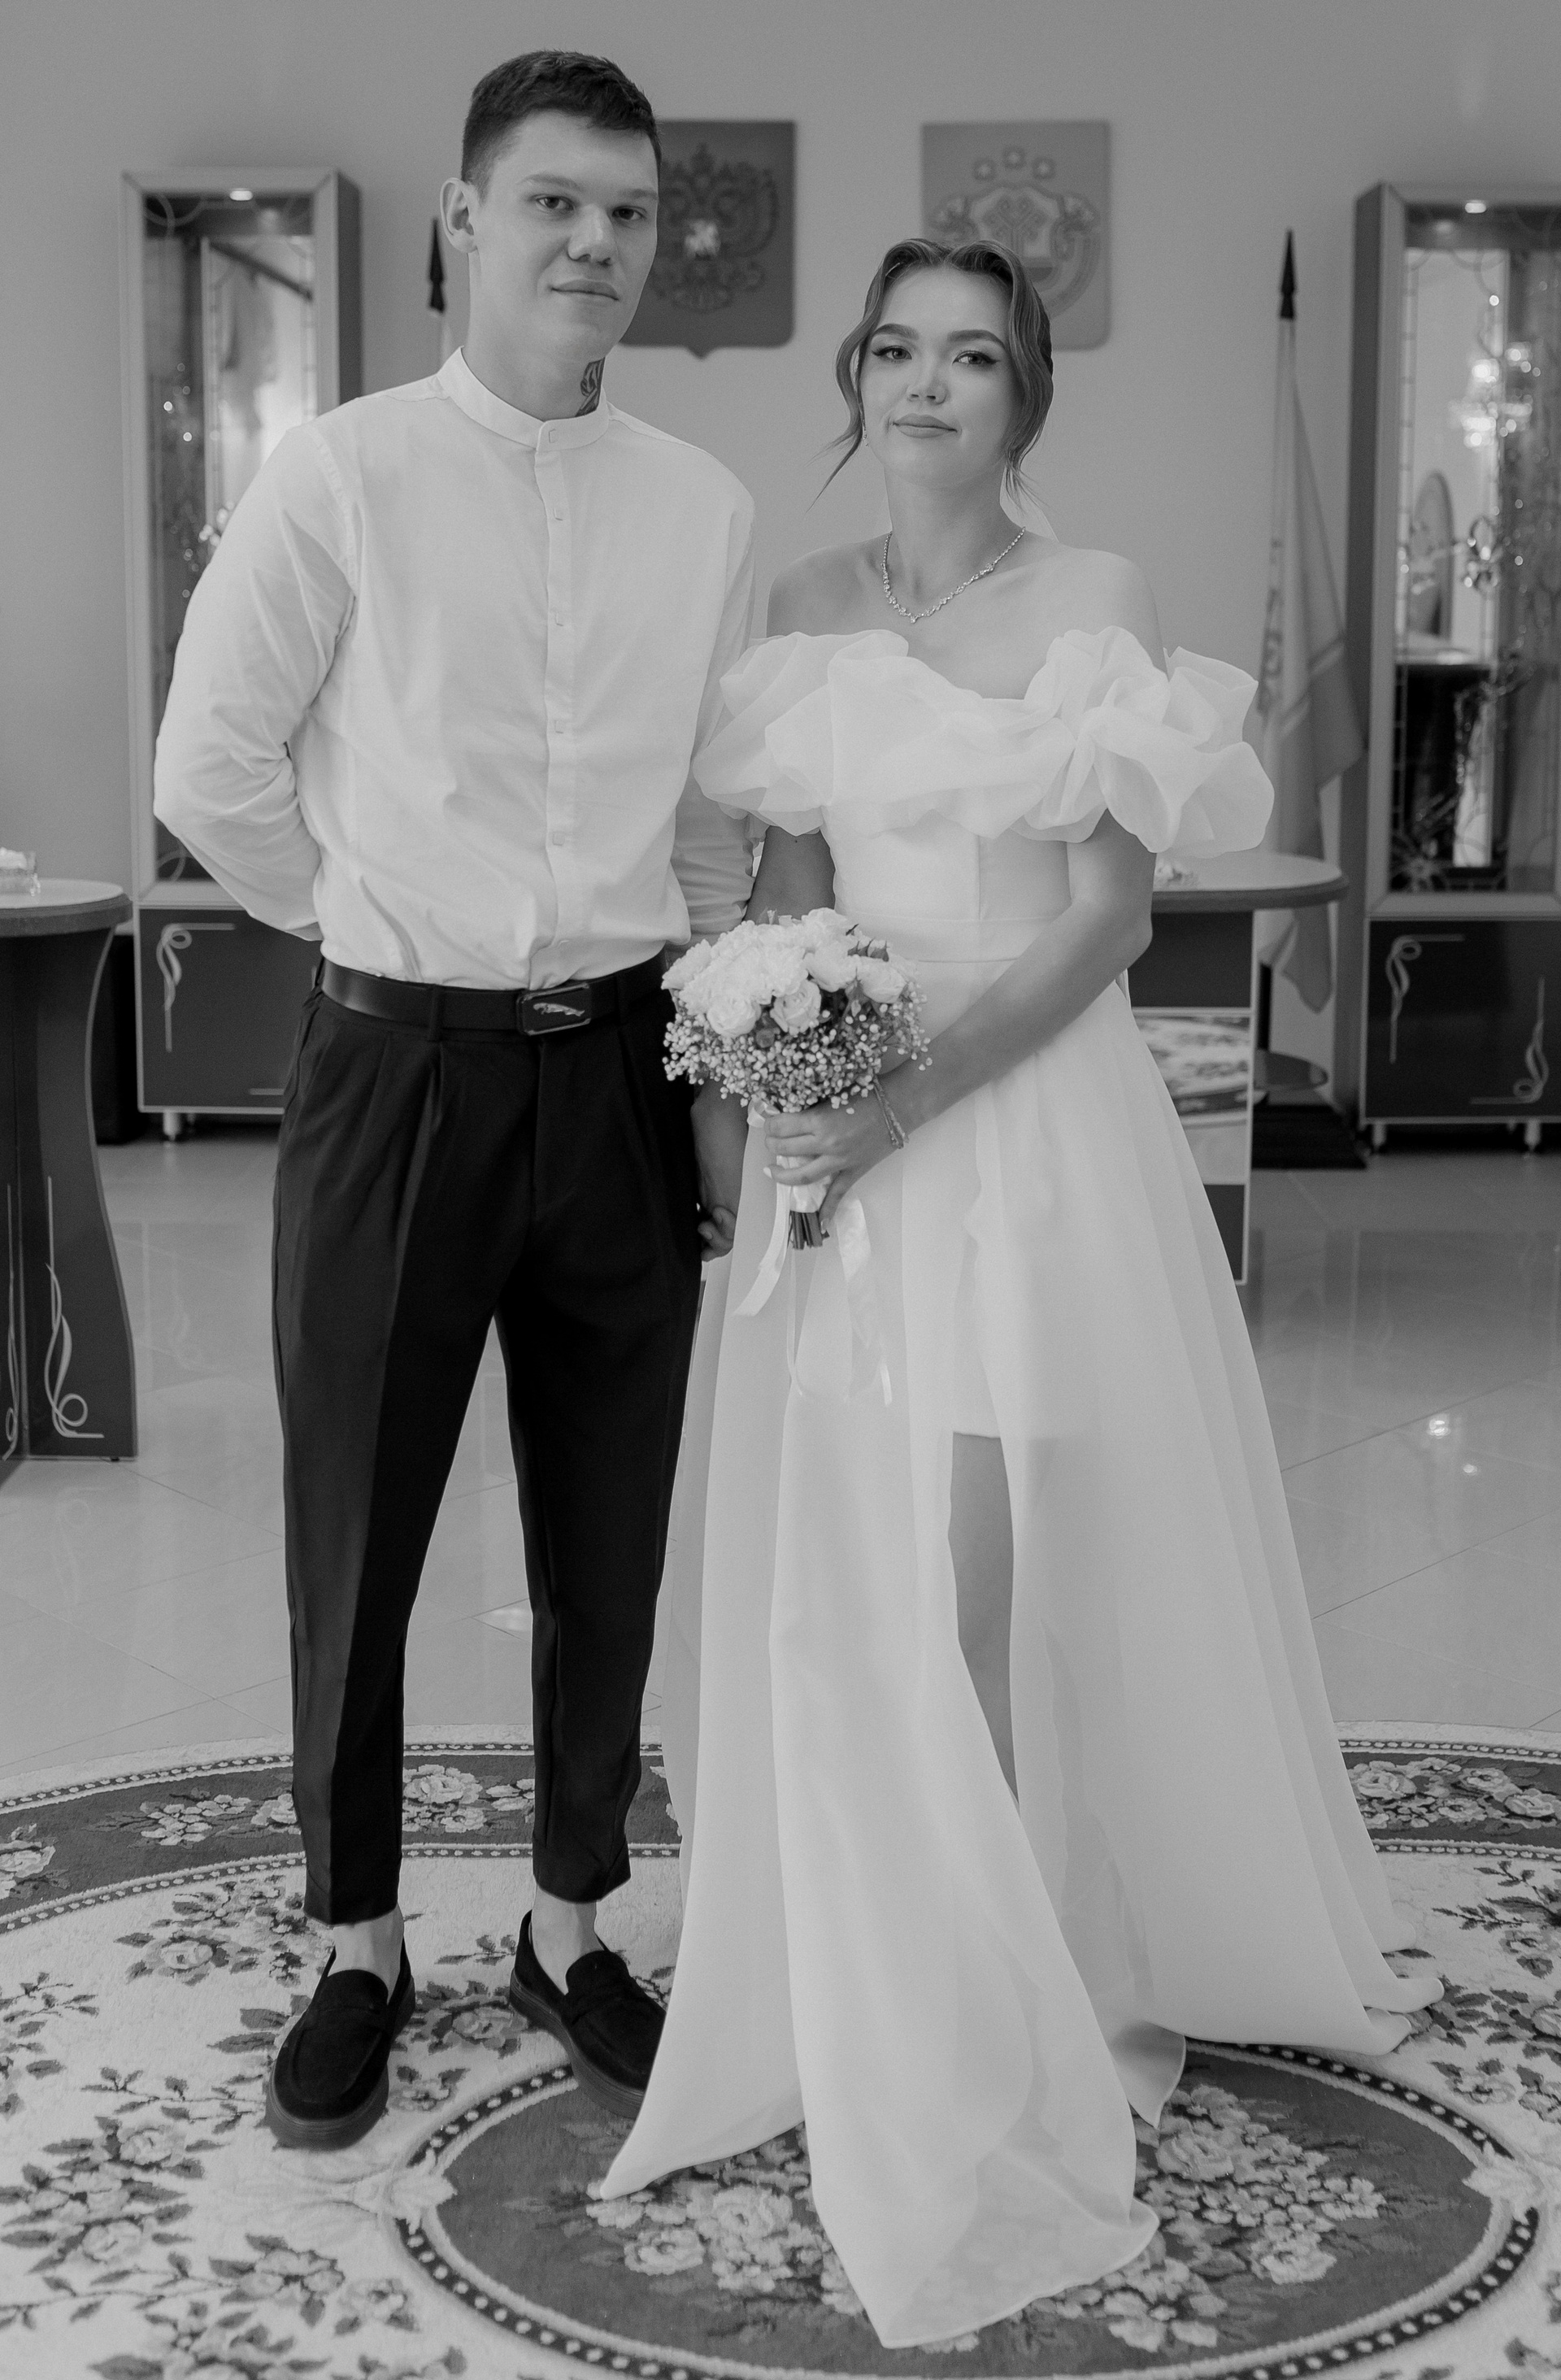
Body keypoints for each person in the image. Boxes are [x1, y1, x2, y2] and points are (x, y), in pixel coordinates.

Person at [602, 238, 1441, 2347]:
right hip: (845, 1145)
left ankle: (997, 1993)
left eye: (973, 356)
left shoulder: (1094, 603)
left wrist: (904, 1101)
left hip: (1022, 1137)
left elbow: (1106, 922)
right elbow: (791, 897)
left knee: (978, 1581)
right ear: (856, 377)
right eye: (896, 348)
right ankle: (868, 1952)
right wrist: (778, 1078)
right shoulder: (804, 606)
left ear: (1026, 397)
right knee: (844, 1563)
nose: (928, 383)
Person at [154, 49, 754, 2151]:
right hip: (392, 1073)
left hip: (620, 1069)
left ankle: (570, 1925)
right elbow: (209, 766)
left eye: (626, 211)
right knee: (360, 1523)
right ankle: (357, 1943)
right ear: (466, 218)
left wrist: (706, 1074)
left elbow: (710, 826)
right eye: (554, 202)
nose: (595, 242)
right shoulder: (344, 475)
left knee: (612, 1529)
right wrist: (375, 934)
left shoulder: (703, 509)